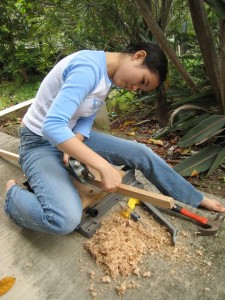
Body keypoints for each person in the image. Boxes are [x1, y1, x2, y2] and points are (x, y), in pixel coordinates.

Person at [5, 42, 225, 235]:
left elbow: (86, 117)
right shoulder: (88, 68)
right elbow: (52, 127)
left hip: (69, 137)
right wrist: (103, 166)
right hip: (38, 142)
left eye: (140, 88)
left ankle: (195, 198)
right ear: (139, 56)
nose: (134, 87)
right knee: (64, 220)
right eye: (142, 81)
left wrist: (74, 143)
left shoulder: (108, 76)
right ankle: (13, 196)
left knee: (141, 152)